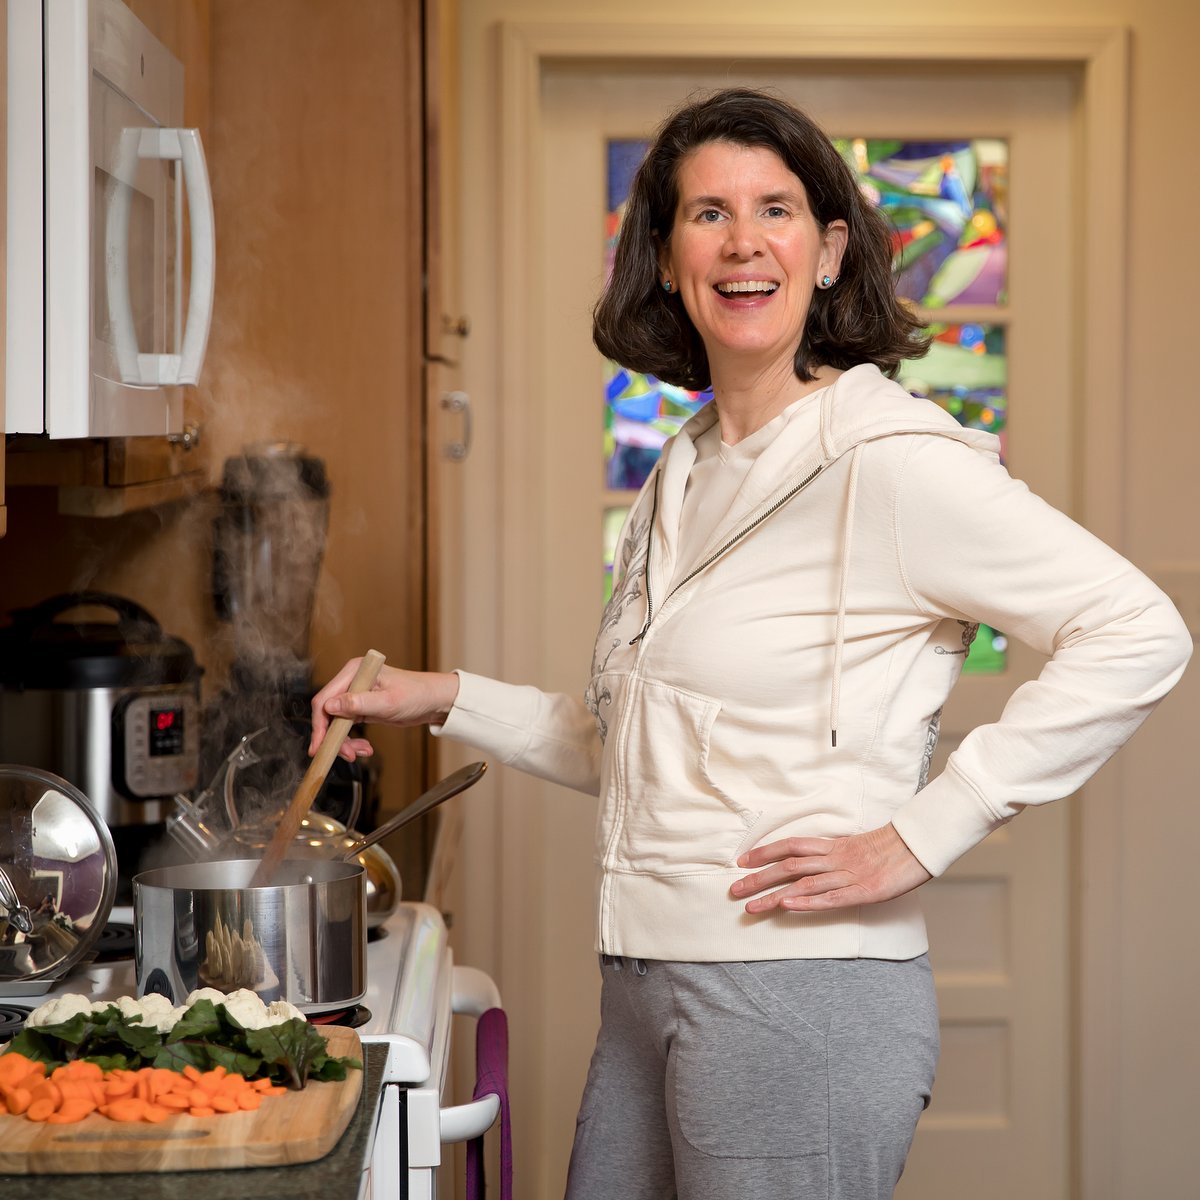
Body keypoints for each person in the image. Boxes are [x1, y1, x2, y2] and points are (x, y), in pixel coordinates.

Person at [310, 88, 1192, 1199]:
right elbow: (644, 745)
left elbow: (1138, 631)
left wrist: (924, 831)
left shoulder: (894, 461)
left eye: (775, 209)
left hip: (798, 994)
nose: (742, 242)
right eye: (707, 213)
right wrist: (437, 695)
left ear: (827, 252)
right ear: (667, 257)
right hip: (644, 975)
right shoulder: (684, 471)